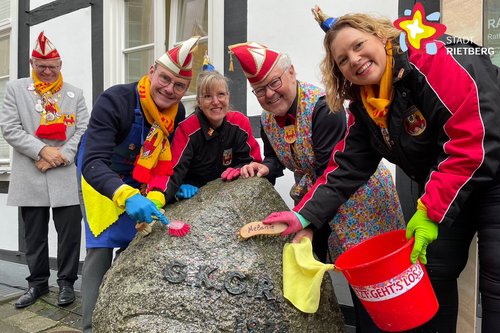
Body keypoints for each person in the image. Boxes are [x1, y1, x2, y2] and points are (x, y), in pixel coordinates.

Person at [262, 10, 500, 333]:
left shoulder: (430, 58)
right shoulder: (367, 103)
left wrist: (430, 211)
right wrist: (304, 217)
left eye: (359, 45)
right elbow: (346, 166)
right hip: (447, 183)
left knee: (495, 279)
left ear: (381, 35)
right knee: (434, 270)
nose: (355, 60)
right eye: (343, 60)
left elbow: (474, 133)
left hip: (492, 167)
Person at [228, 41, 405, 331]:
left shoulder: (324, 108)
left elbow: (329, 172)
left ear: (291, 72)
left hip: (361, 201)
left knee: (378, 287)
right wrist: (264, 167)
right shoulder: (267, 118)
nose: (269, 94)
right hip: (322, 203)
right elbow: (277, 159)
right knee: (350, 280)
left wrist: (308, 224)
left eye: (274, 83)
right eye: (260, 90)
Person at [77, 36, 199, 332]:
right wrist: (125, 195)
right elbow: (93, 161)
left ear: (185, 90)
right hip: (100, 174)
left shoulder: (177, 112)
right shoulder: (115, 100)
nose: (169, 89)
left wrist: (170, 187)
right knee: (102, 246)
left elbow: (167, 159)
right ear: (151, 71)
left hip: (139, 177)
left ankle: (122, 312)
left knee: (139, 238)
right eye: (165, 79)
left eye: (179, 86)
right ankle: (91, 325)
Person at [0, 31, 89, 308]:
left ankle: (66, 284)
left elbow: (84, 130)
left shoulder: (75, 93)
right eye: (42, 67)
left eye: (52, 67)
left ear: (60, 65)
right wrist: (42, 151)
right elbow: (10, 128)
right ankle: (37, 283)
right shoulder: (16, 89)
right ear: (32, 64)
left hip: (64, 173)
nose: (48, 72)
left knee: (70, 234)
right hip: (31, 172)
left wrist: (59, 155)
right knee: (34, 235)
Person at [146, 67, 262, 203]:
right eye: (207, 96)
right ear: (199, 102)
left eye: (221, 94)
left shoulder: (239, 122)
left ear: (228, 97)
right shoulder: (187, 128)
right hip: (193, 198)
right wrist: (167, 195)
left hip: (229, 194)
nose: (216, 101)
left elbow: (254, 163)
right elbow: (172, 171)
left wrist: (240, 169)